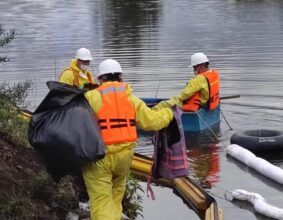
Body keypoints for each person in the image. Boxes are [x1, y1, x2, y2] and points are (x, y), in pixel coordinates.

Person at [83, 59, 173, 220]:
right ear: (120, 77)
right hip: (125, 156)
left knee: (101, 201)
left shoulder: (91, 98)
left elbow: (76, 126)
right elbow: (152, 121)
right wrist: (169, 113)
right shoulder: (132, 99)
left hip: (100, 157)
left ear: (100, 79)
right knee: (116, 195)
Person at [153, 52, 220, 112]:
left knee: (163, 104)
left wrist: (173, 100)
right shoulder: (214, 73)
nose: (194, 69)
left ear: (200, 66)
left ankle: (150, 114)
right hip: (210, 104)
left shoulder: (199, 79)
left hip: (199, 105)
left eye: (194, 67)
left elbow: (184, 95)